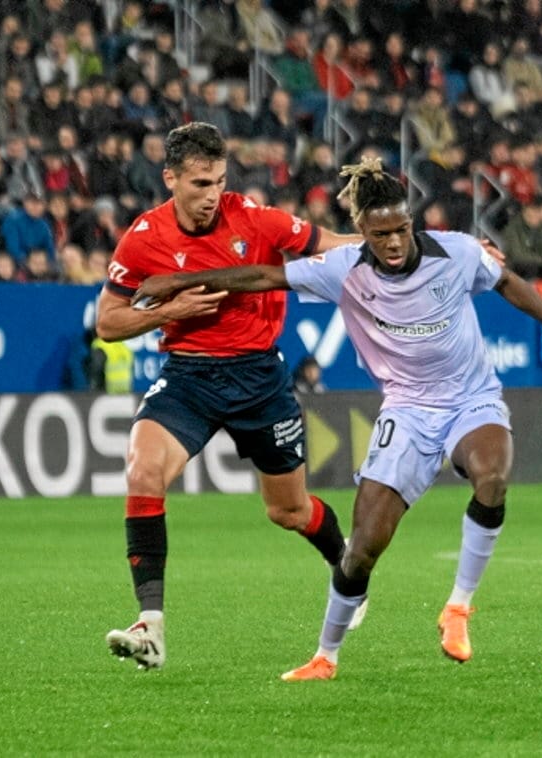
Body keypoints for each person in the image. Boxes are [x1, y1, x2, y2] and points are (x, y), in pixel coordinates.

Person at [132, 157, 542, 680]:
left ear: (410, 223)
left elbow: (508, 282)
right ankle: (326, 655)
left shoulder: (458, 252)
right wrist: (178, 282)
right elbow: (261, 275)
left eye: (400, 230)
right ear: (362, 233)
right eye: (379, 235)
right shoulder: (342, 270)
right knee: (364, 547)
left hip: (471, 398)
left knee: (492, 477)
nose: (392, 243)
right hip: (407, 410)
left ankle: (458, 607)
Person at [95, 122, 364, 670]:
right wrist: (170, 313)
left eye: (219, 181)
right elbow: (107, 320)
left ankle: (345, 568)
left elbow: (333, 246)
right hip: (189, 378)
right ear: (170, 179)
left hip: (260, 381)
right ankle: (152, 627)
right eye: (199, 183)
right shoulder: (144, 237)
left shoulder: (257, 219)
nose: (212, 195)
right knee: (143, 472)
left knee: (287, 510)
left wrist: (414, 243)